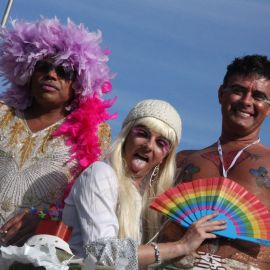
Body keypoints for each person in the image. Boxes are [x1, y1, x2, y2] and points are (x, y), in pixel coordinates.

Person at [62, 99, 226, 269]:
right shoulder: (100, 173)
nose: (148, 146)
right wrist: (181, 246)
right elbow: (103, 253)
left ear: (165, 158)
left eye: (161, 143)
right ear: (126, 135)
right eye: (143, 133)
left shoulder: (151, 199)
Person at [0, 17, 115, 246]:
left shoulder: (95, 133)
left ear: (79, 83)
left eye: (64, 71)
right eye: (43, 66)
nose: (51, 75)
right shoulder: (2, 113)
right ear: (28, 71)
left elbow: (89, 203)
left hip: (32, 253)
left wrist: (45, 218)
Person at [162, 54, 270, 270]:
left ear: (268, 108)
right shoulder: (182, 160)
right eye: (238, 90)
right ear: (221, 94)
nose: (246, 101)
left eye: (258, 96)